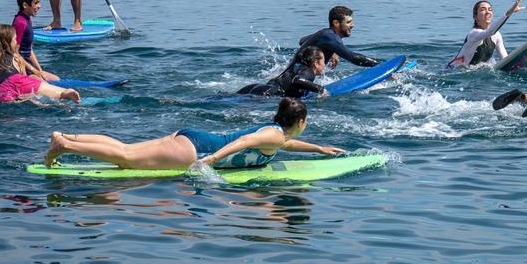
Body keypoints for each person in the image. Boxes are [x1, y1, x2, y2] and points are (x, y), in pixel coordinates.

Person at [44, 97, 344, 169]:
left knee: (127, 148)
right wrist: (211, 160)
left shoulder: (279, 133)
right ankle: (66, 147)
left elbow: (286, 144)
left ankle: (69, 136)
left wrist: (319, 150)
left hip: (193, 138)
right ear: (300, 120)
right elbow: (244, 142)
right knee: (125, 158)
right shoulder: (275, 136)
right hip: (195, 151)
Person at [0, 25, 80, 104]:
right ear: (7, 42)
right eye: (15, 39)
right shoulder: (16, 56)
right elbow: (24, 78)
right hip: (18, 80)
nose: (16, 42)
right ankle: (65, 93)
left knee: (15, 103)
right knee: (54, 92)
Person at [449, 0, 524, 68]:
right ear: (475, 16)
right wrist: (510, 12)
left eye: (490, 9)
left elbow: (505, 59)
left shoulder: (497, 35)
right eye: (482, 10)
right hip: (453, 70)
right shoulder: (473, 34)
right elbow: (490, 32)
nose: (488, 12)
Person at [298, 6, 378, 69]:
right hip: (295, 82)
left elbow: (302, 41)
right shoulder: (329, 37)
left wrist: (333, 49)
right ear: (336, 23)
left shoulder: (326, 35)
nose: (352, 25)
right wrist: (379, 66)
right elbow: (353, 57)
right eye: (348, 22)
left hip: (293, 76)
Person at [235, 46, 329, 98]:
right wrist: (320, 89)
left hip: (258, 87)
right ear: (316, 63)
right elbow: (298, 80)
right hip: (268, 93)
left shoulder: (297, 66)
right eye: (323, 61)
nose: (324, 64)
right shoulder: (309, 72)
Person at [12, 0, 59, 81]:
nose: (40, 6)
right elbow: (15, 53)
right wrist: (33, 71)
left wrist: (39, 70)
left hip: (28, 66)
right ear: (25, 5)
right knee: (47, 85)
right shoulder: (20, 22)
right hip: (20, 69)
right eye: (36, 3)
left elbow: (29, 50)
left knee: (56, 79)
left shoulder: (27, 19)